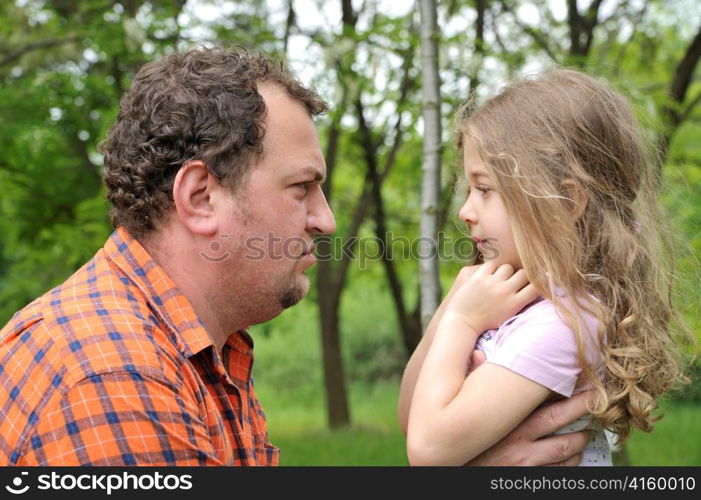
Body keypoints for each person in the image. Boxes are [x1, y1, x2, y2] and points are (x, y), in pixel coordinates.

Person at [1, 47, 592, 466]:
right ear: (201, 198)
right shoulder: (112, 378)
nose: (326, 220)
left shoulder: (201, 350)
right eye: (301, 187)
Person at [399, 68, 691, 466]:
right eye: (469, 190)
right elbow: (410, 417)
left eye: (484, 189)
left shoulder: (565, 323)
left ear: (567, 203)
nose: (466, 211)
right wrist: (455, 306)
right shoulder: (518, 306)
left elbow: (428, 450)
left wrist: (461, 323)